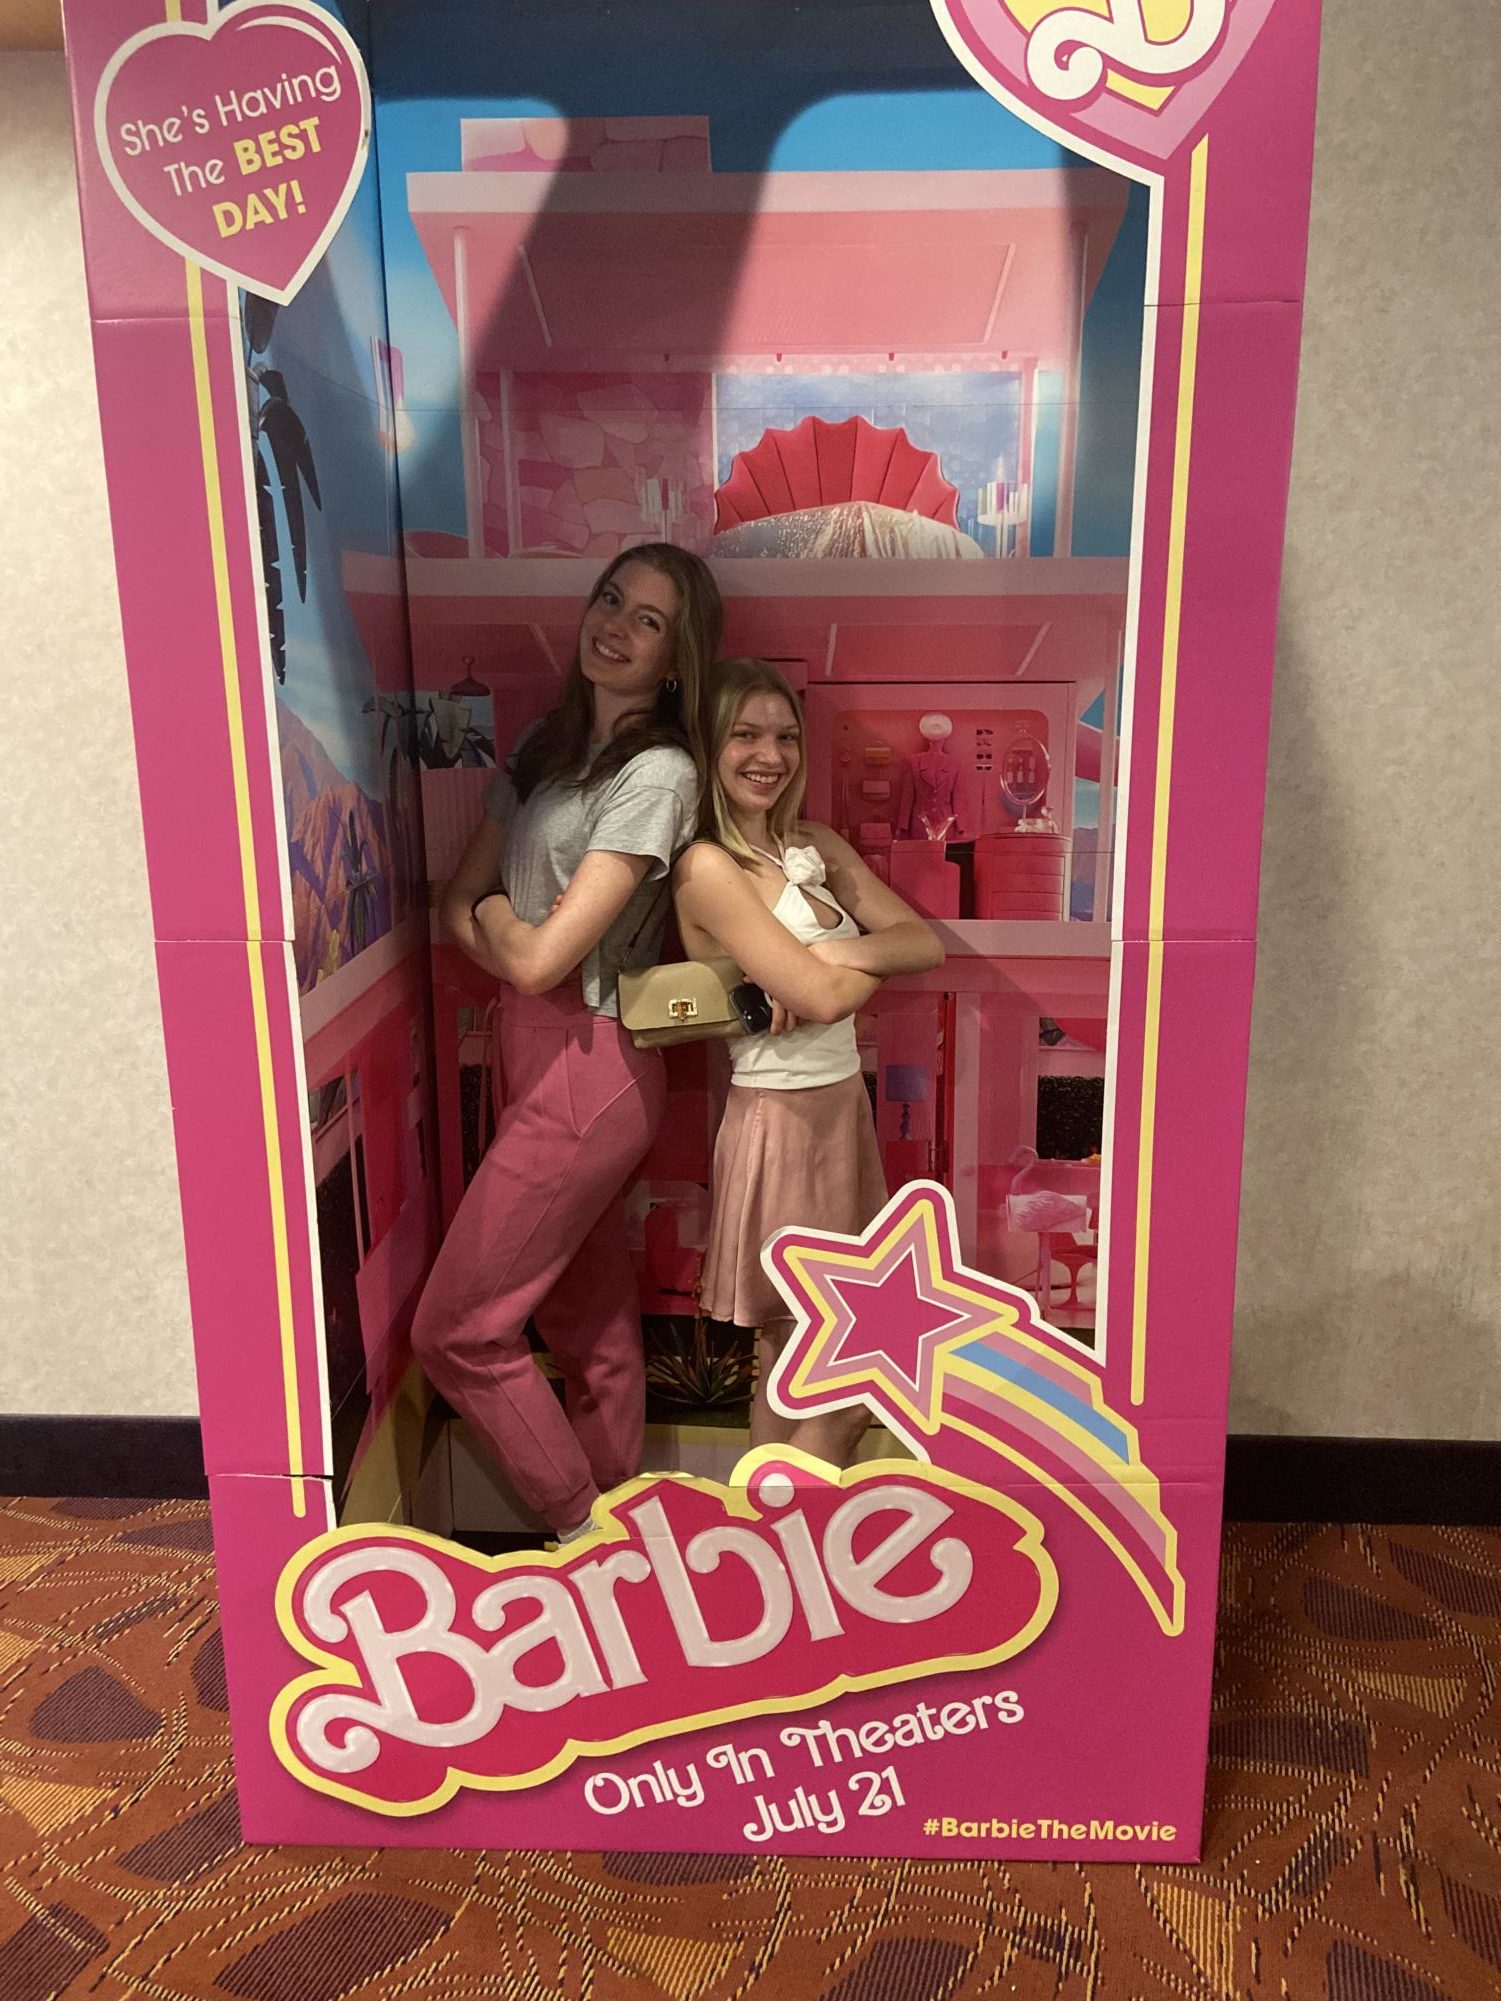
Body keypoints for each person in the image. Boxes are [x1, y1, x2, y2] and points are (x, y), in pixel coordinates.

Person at [411, 544, 722, 1543]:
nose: (614, 628)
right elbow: (456, 901)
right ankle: (625, 1545)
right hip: (531, 1054)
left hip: (591, 1069)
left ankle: (580, 1529)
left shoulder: (661, 771)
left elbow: (539, 955)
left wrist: (503, 929)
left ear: (677, 657)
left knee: (455, 1331)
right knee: (586, 1323)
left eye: (647, 621)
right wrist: (505, 929)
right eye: (610, 600)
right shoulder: (547, 746)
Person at [674, 659, 944, 1466]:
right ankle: (784, 1525)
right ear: (710, 747)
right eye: (746, 735)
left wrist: (822, 954)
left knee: (814, 1354)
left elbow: (920, 942)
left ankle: (781, 1533)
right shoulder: (704, 866)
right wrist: (833, 972)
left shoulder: (814, 844)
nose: (770, 754)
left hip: (840, 1111)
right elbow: (824, 1001)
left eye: (785, 736)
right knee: (806, 1354)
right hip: (777, 1122)